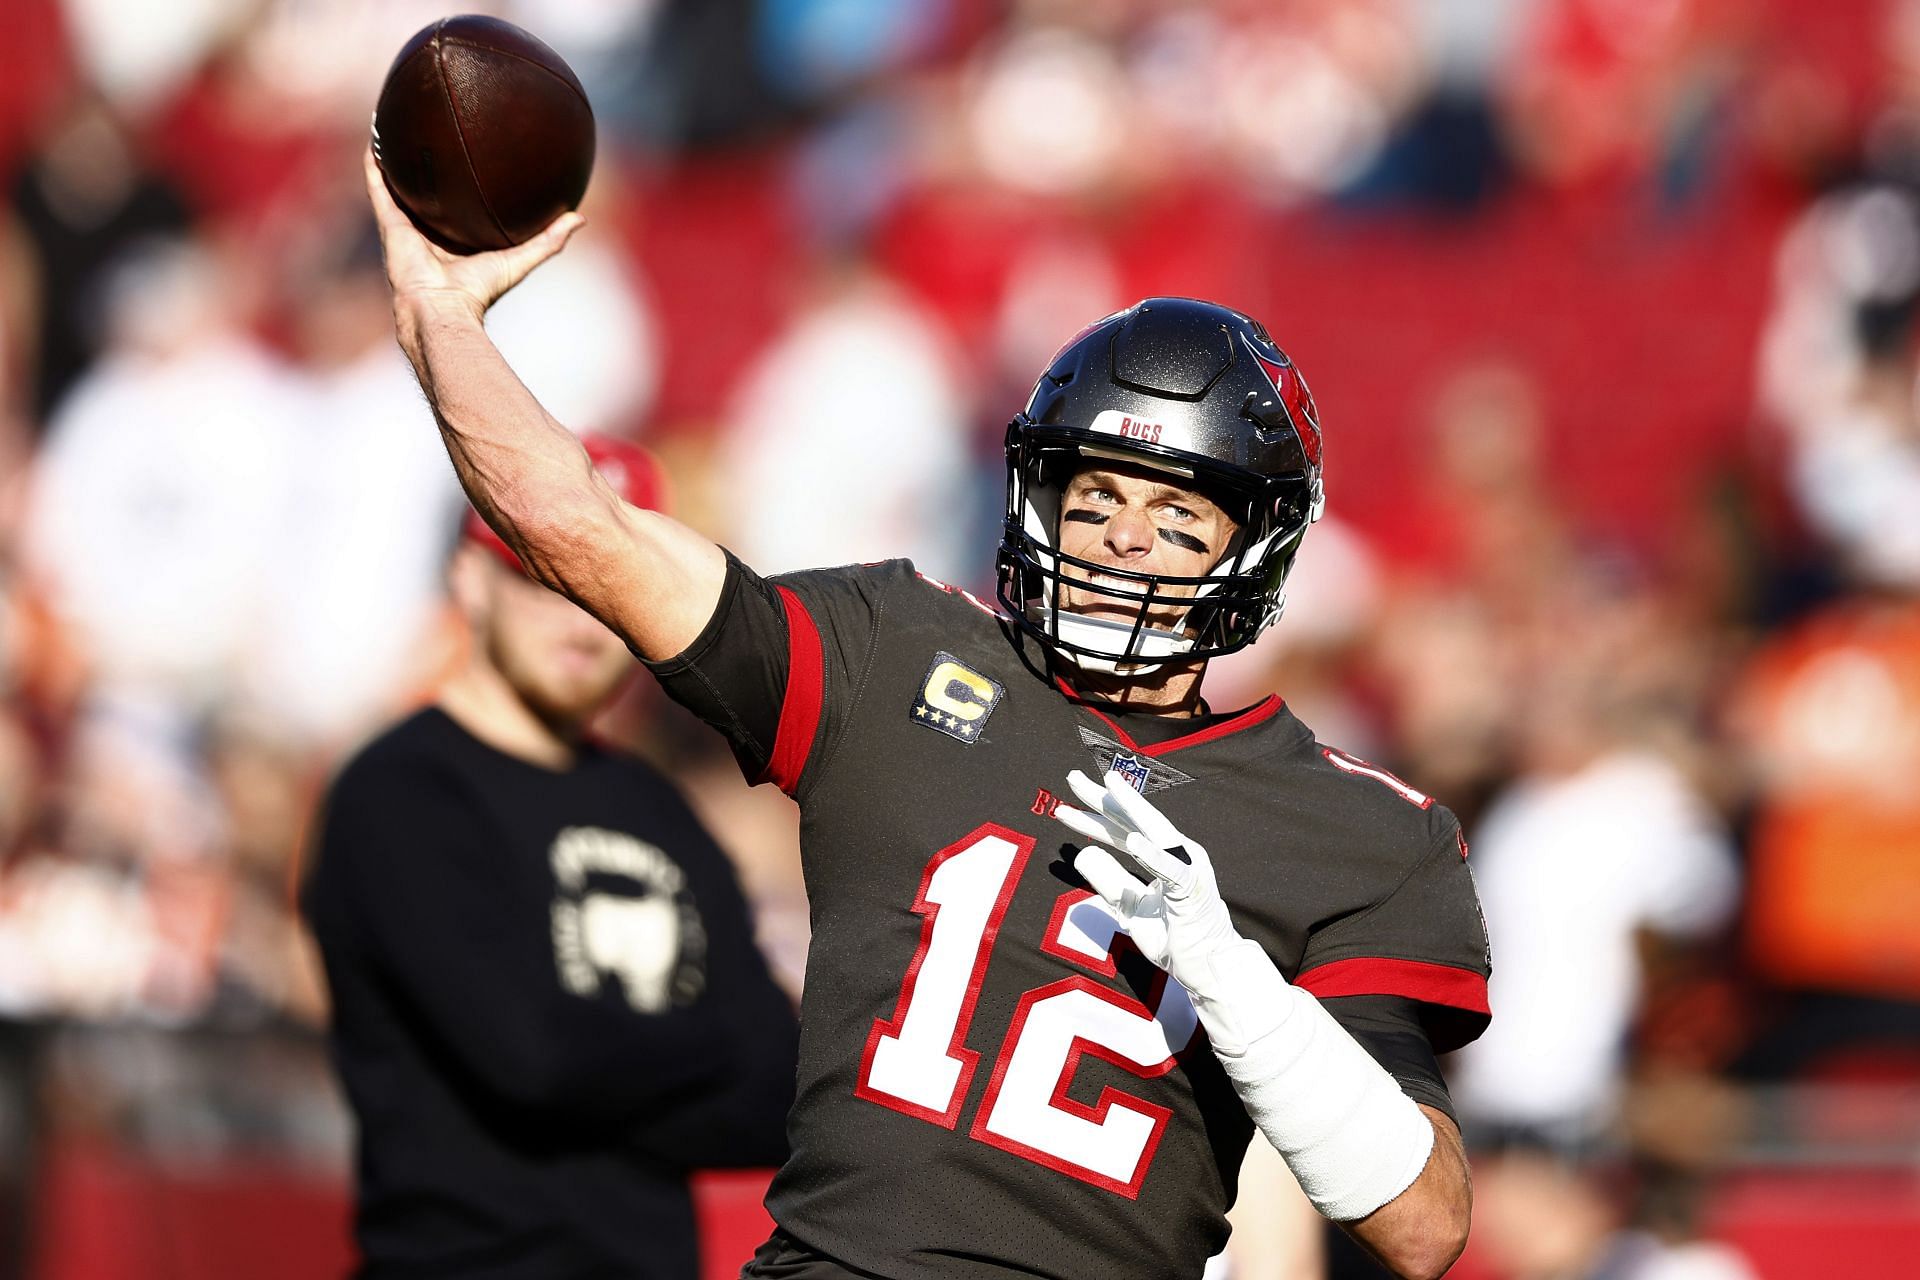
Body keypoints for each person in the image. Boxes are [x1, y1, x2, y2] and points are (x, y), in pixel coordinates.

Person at [362, 146, 1490, 1280]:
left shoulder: (1361, 834)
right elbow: (584, 532)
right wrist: (439, 317)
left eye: (1180, 517)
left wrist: (1237, 980)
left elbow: (1424, 1223)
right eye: (1094, 494)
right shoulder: (893, 649)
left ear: (1256, 551)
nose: (1124, 540)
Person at [302, 433, 798, 1280]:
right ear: (469, 580)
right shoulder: (402, 794)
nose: (579, 615)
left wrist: (599, 1056)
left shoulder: (653, 808)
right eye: (542, 575)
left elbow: (776, 1098)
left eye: (604, 583)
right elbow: (531, 1055)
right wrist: (700, 1044)